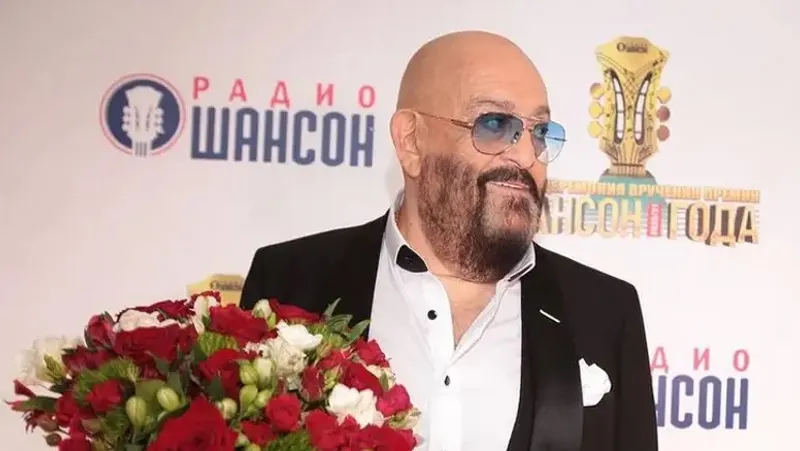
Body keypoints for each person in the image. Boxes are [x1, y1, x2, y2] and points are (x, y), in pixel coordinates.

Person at [240, 30, 658, 451]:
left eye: (540, 132)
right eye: (494, 124)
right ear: (411, 141)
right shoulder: (291, 285)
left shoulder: (604, 313)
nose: (526, 156)